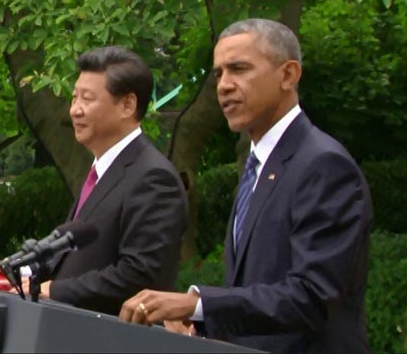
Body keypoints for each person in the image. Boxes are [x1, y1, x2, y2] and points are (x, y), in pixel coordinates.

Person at [119, 19, 373, 353]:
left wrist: (197, 304)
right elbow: (256, 290)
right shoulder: (260, 166)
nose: (224, 85)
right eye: (218, 74)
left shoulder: (323, 165)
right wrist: (204, 327)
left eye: (239, 69)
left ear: (288, 75)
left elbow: (313, 296)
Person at [0, 46, 188, 316]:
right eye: (74, 98)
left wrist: (54, 291)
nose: (75, 110)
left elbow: (141, 276)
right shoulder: (102, 170)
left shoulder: (154, 178)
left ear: (127, 105)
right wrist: (21, 268)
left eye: (87, 99)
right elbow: (76, 256)